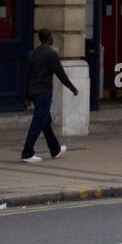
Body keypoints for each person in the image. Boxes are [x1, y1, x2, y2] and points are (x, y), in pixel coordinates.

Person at [21, 28, 79, 162]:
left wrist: (26, 97)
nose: (53, 38)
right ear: (48, 38)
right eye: (51, 36)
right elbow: (61, 74)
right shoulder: (51, 54)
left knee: (45, 121)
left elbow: (26, 76)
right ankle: (27, 152)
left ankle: (55, 149)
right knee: (38, 121)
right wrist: (72, 88)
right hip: (44, 92)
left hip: (33, 91)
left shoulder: (32, 54)